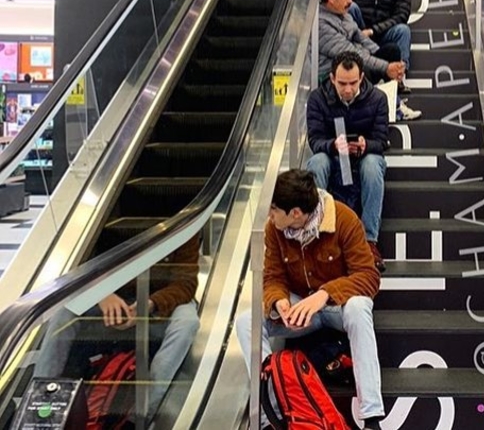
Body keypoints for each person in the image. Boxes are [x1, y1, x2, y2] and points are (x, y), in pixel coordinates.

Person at [235, 169, 384, 430]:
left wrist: (325, 295)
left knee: (360, 308)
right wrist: (278, 302)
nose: (269, 215)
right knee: (247, 320)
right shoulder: (275, 230)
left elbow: (369, 277)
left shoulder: (344, 219)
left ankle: (371, 417)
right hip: (301, 310)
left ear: (295, 213)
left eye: (273, 210)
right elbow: (272, 277)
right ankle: (273, 410)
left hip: (336, 306)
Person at [34, 236, 201, 424]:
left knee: (187, 323)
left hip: (158, 304)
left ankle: (140, 415)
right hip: (109, 301)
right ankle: (40, 403)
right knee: (64, 313)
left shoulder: (182, 218)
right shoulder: (106, 215)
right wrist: (100, 292)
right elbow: (78, 268)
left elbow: (186, 284)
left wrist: (151, 304)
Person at [306, 52, 389, 270]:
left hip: (363, 160)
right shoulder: (317, 98)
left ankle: (369, 241)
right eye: (342, 83)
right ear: (332, 78)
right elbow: (315, 140)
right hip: (333, 159)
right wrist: (333, 145)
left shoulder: (378, 99)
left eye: (353, 83)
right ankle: (317, 235)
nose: (348, 89)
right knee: (316, 163)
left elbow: (381, 142)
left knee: (373, 164)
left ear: (361, 78)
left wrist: (365, 145)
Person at [317, 0, 420, 119]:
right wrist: (385, 67)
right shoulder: (321, 24)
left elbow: (361, 38)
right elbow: (350, 53)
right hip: (334, 74)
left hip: (353, 62)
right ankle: (391, 106)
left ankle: (393, 103)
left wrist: (385, 59)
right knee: (370, 65)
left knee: (390, 51)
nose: (350, 1)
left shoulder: (343, 15)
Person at [348, 0, 412, 93]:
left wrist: (373, 31)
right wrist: (359, 31)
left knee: (403, 30)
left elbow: (401, 15)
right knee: (351, 7)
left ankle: (399, 76)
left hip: (381, 34)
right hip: (358, 28)